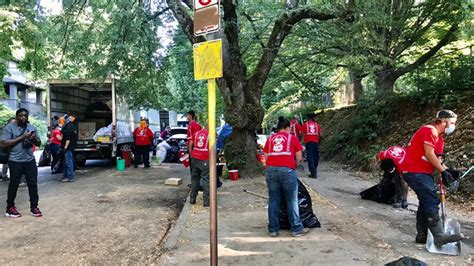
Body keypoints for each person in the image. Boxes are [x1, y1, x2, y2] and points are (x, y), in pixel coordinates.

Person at [402, 110, 464, 246]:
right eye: (452, 123)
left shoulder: (439, 139)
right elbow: (429, 154)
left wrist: (449, 171)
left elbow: (438, 159)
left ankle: (422, 235)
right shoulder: (429, 130)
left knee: (426, 201)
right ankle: (439, 235)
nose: (453, 126)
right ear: (444, 121)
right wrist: (443, 171)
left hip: (423, 173)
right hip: (414, 171)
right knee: (431, 198)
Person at [263, 117, 310, 237]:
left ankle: (273, 229)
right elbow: (299, 158)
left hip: (271, 171)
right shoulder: (292, 138)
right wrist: (292, 166)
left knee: (273, 199)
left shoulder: (270, 139)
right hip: (287, 171)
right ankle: (296, 228)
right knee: (292, 200)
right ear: (288, 128)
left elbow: (266, 157)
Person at [1, 108, 42, 218]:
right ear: (17, 116)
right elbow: (4, 143)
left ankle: (34, 207)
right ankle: (10, 208)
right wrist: (23, 137)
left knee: (32, 184)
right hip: (15, 160)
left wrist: (33, 139)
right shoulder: (9, 128)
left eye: (25, 116)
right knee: (14, 184)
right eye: (21, 115)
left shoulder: (32, 128)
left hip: (29, 160)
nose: (23, 117)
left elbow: (39, 143)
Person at [189, 127, 211, 206]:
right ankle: (206, 202)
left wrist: (191, 154)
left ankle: (192, 199)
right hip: (205, 158)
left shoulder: (196, 133)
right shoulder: (211, 134)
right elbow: (214, 147)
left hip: (195, 158)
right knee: (205, 179)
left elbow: (190, 144)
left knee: (195, 178)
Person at [301, 114, 322, 179]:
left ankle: (313, 173)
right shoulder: (317, 125)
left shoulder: (305, 125)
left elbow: (302, 133)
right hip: (316, 142)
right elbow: (320, 134)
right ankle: (314, 169)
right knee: (316, 156)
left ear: (308, 119)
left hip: (308, 142)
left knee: (310, 157)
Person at [61, 114, 78, 182]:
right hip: (70, 147)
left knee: (68, 162)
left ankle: (70, 177)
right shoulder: (71, 126)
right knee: (67, 162)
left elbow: (68, 139)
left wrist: (65, 148)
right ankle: (66, 176)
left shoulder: (68, 127)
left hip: (68, 147)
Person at [1, 117, 15, 182]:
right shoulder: (5, 129)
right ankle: (4, 176)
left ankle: (5, 175)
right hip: (5, 149)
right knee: (6, 162)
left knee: (7, 163)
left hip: (9, 149)